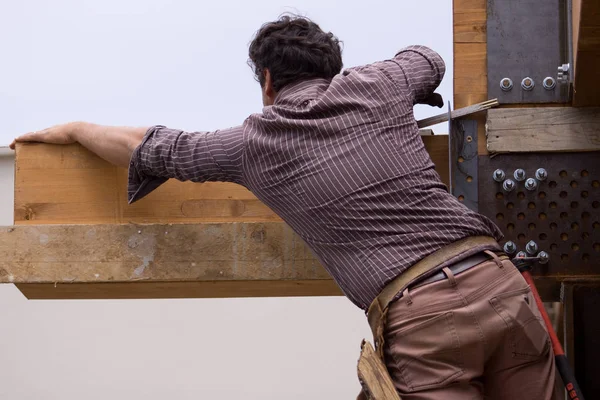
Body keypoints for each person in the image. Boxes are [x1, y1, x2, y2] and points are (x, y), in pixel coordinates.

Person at [11, 15, 557, 400]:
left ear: (267, 82)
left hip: (426, 319)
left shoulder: (255, 143)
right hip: (500, 283)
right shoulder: (380, 83)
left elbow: (152, 147)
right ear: (334, 68)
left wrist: (75, 127)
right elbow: (427, 57)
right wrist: (403, 86)